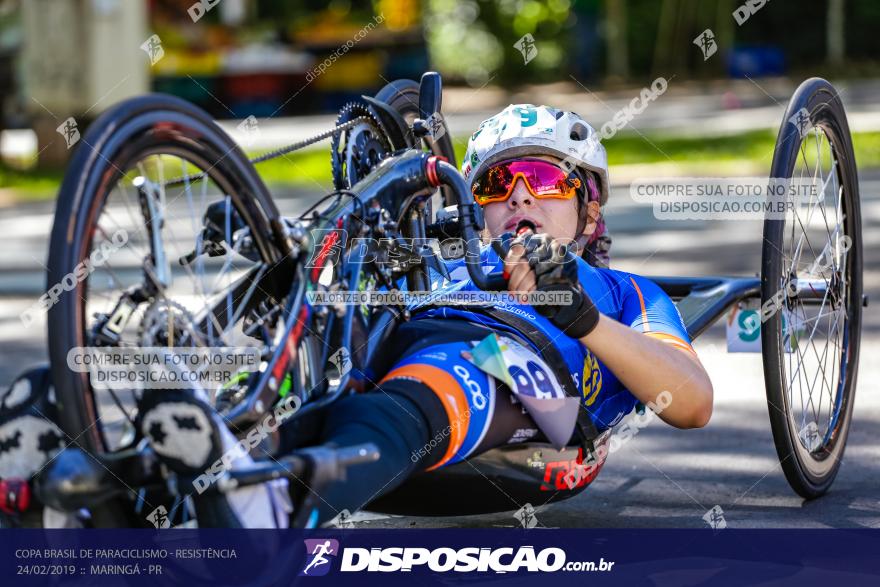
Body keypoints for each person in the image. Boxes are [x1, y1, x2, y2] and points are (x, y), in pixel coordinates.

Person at [0, 105, 713, 528]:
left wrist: (582, 313)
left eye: (548, 179)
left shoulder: (622, 290)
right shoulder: (449, 259)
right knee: (322, 369)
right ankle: (100, 477)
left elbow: (692, 399)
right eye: (498, 181)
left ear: (589, 208)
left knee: (452, 369)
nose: (520, 195)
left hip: (535, 405)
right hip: (398, 367)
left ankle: (280, 509)